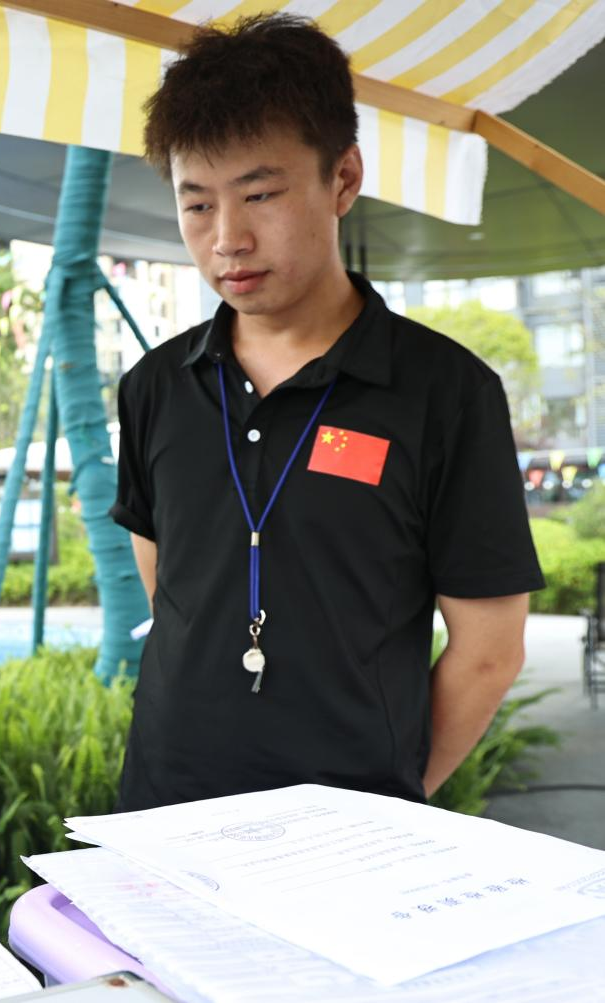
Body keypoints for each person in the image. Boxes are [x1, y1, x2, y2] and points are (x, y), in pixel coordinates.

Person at [110, 14, 544, 811]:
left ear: (343, 178)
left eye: (261, 194)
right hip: (163, 813)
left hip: (352, 836)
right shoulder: (154, 387)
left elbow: (489, 652)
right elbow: (170, 593)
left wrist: (388, 796)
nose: (228, 239)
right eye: (197, 204)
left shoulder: (446, 393)